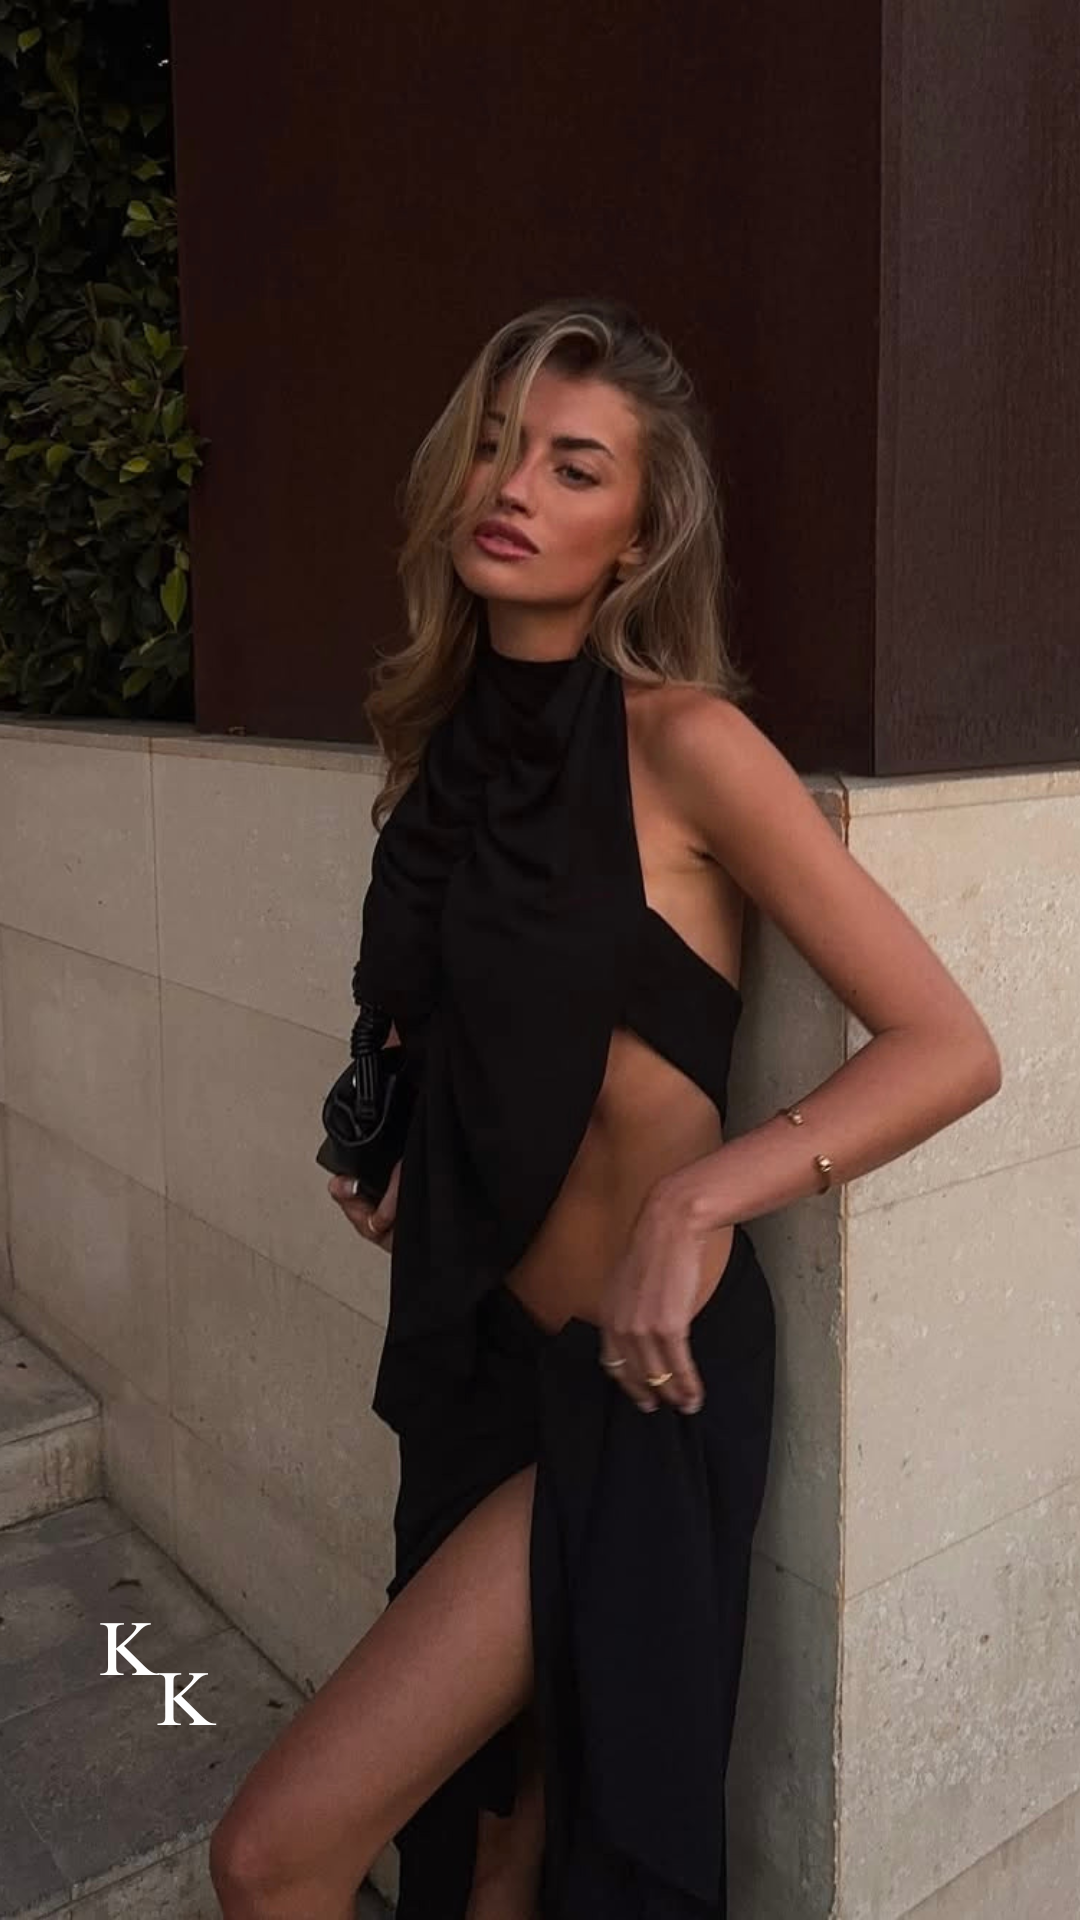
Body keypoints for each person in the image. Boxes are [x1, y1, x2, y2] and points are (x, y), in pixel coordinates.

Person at [209, 297, 1002, 1920]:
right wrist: (401, 1151)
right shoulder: (437, 759)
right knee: (496, 1854)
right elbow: (467, 1023)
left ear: (637, 537)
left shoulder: (689, 747)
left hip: (635, 1388)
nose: (514, 486)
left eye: (573, 467)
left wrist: (698, 1200)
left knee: (274, 1854)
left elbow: (948, 1046)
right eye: (495, 448)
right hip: (475, 1370)